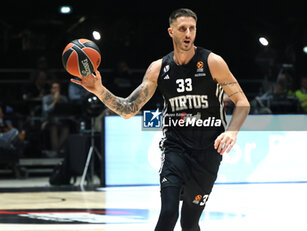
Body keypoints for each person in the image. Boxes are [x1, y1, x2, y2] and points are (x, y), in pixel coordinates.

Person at [71, 8, 250, 231]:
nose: (188, 33)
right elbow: (128, 109)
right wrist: (98, 89)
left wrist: (231, 131)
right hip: (175, 148)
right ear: (171, 31)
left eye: (192, 29)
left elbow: (243, 103)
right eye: (182, 28)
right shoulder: (158, 68)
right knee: (168, 212)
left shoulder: (213, 62)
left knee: (190, 222)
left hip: (207, 152)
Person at [42, 81, 70, 156]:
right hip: (49, 121)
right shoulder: (46, 98)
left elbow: (67, 111)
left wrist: (60, 100)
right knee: (53, 128)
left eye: (57, 88)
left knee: (66, 129)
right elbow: (46, 110)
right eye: (54, 88)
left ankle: (57, 151)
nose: (56, 90)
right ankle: (56, 151)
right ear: (51, 89)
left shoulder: (64, 98)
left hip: (61, 121)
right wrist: (54, 102)